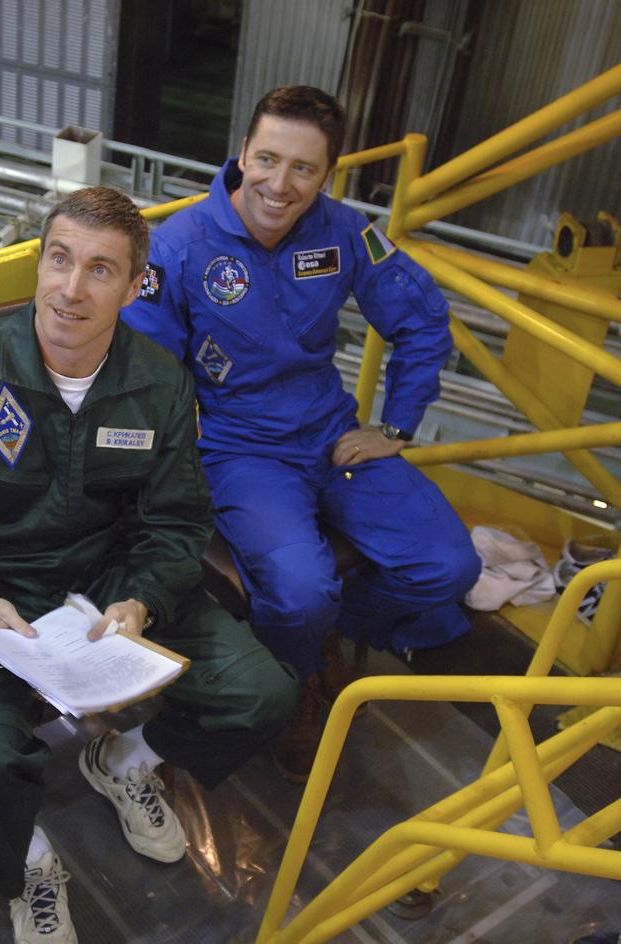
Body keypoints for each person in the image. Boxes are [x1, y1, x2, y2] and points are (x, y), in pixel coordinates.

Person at [0, 187, 298, 944]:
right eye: (59, 260)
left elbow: (177, 520)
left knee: (262, 693)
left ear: (135, 289)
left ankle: (126, 759)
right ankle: (23, 860)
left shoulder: (159, 383)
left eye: (101, 270)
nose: (72, 289)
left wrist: (142, 601)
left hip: (111, 578)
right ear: (38, 264)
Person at [119, 85, 481, 781]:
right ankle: (299, 681)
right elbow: (147, 366)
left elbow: (423, 317)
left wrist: (396, 426)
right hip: (240, 451)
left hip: (331, 435)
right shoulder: (181, 245)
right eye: (267, 159)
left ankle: (318, 647)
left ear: (327, 175)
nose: (279, 186)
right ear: (243, 151)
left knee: (449, 566)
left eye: (304, 170)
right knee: (301, 591)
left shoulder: (346, 233)